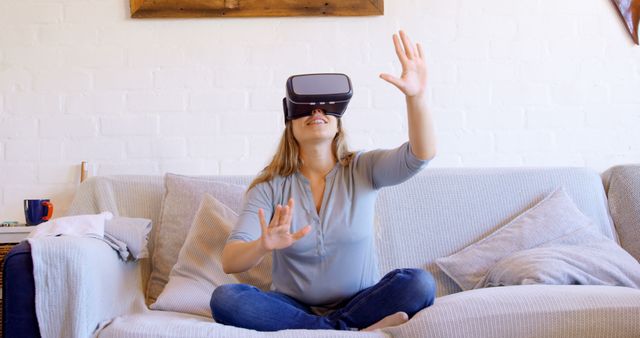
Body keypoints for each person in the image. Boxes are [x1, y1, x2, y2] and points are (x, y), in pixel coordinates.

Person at [210, 30, 438, 332]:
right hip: (292, 306)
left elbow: (419, 155)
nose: (316, 111)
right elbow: (230, 261)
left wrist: (416, 97)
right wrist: (263, 245)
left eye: (325, 107)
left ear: (338, 122)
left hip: (362, 300)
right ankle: (346, 330)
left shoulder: (364, 168)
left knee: (419, 283)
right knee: (225, 298)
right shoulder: (269, 187)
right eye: (306, 108)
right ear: (289, 125)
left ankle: (319, 330)